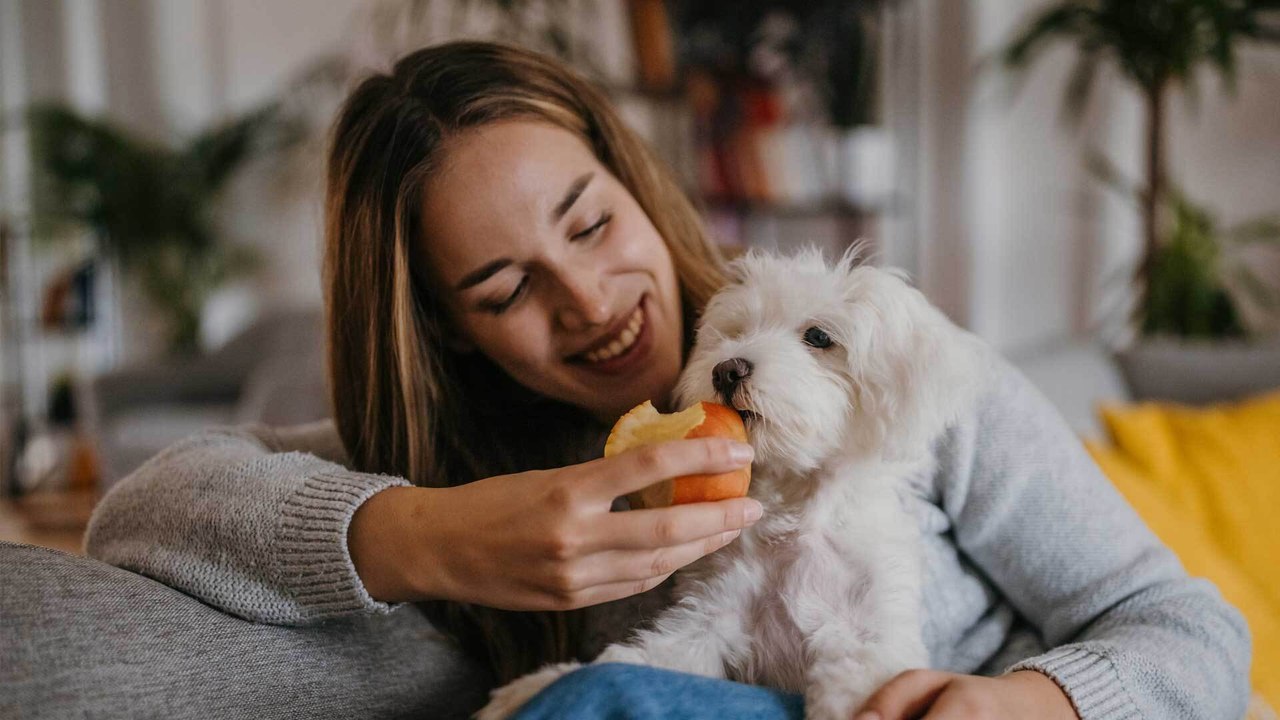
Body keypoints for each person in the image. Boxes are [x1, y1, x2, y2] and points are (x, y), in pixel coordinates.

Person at [84, 40, 1250, 719]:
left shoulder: (898, 373)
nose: (587, 303)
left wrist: (1028, 705)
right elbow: (138, 506)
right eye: (501, 290)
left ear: (636, 183)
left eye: (590, 224)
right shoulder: (475, 471)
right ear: (443, 333)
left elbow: (1193, 633)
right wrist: (424, 532)